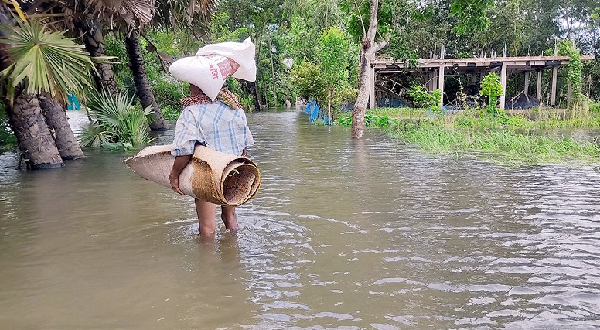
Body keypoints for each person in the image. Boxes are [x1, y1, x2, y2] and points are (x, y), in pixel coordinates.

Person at [169, 83, 254, 237]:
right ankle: (233, 255)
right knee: (230, 218)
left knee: (207, 227)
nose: (189, 88)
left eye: (191, 84)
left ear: (199, 86)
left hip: (208, 171)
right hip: (232, 168)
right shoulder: (235, 107)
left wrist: (174, 175)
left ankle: (208, 261)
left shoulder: (192, 111)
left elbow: (184, 150)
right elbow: (244, 147)